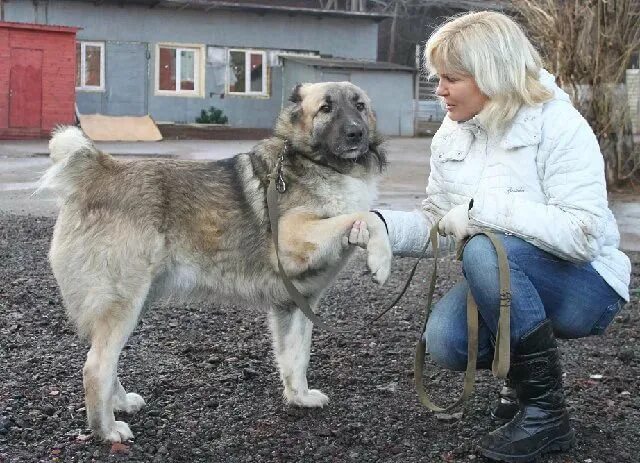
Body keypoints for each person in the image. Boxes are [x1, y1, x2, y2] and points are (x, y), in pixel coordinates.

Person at [347, 10, 631, 463]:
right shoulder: (451, 133)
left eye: (450, 78)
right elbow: (439, 221)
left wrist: (482, 213)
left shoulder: (558, 125)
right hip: (506, 273)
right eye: (437, 77)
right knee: (445, 341)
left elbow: (584, 234)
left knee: (482, 248)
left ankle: (546, 414)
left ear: (491, 73)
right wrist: (380, 224)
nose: (438, 90)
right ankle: (523, 382)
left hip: (586, 286)